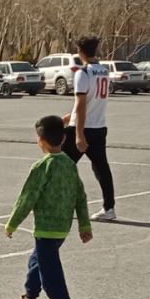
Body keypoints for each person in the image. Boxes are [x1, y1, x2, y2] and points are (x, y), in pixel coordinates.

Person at [6, 114, 92, 299]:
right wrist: (84, 225)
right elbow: (80, 196)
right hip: (62, 229)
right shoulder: (70, 165)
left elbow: (27, 198)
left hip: (45, 228)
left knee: (50, 273)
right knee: (37, 261)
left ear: (40, 141)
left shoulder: (41, 166)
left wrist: (13, 223)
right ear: (63, 139)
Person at [61, 36, 117, 222]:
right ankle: (109, 208)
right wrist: (70, 115)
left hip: (83, 127)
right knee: (101, 168)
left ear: (80, 52)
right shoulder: (104, 71)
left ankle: (63, 204)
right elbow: (90, 100)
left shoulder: (82, 73)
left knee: (61, 166)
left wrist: (79, 134)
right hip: (98, 126)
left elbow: (82, 103)